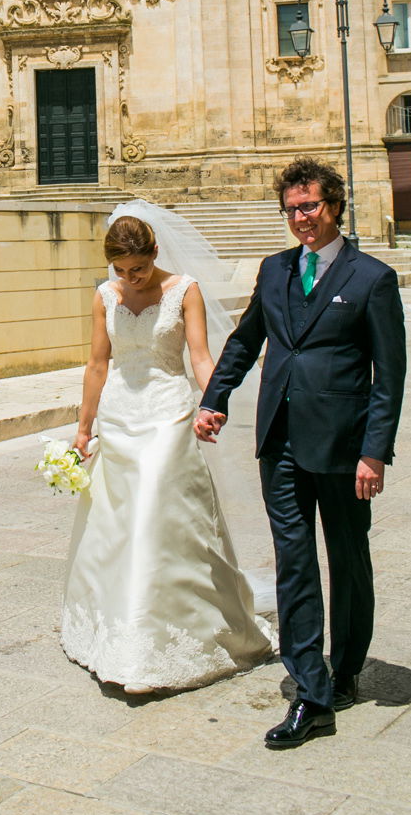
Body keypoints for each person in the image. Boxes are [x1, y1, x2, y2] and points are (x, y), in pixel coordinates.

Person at [196, 158, 406, 749]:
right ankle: (311, 690)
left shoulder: (372, 278)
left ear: (334, 206)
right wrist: (217, 399)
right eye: (291, 209)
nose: (301, 218)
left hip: (343, 448)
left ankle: (348, 669)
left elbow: (389, 376)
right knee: (294, 560)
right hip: (280, 443)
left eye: (310, 206)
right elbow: (244, 342)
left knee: (347, 556)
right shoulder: (275, 271)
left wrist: (375, 453)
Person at [60, 207, 272, 693]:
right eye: (121, 271)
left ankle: (167, 632)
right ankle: (118, 631)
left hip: (168, 413)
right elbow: (97, 363)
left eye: (138, 268)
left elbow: (199, 354)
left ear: (155, 254)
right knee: (117, 523)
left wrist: (212, 401)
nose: (131, 279)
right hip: (118, 413)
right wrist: (83, 427)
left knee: (158, 510)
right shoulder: (104, 296)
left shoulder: (184, 289)